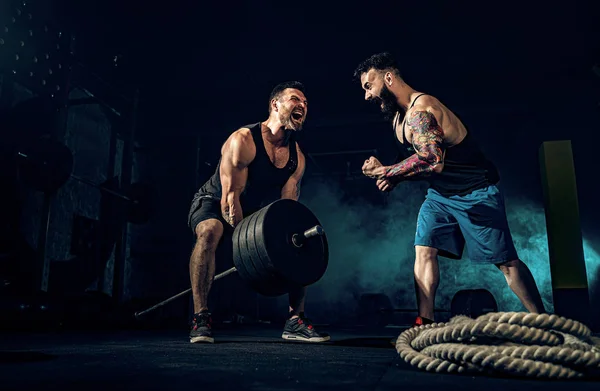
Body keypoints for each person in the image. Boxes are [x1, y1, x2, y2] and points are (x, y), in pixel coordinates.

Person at [353, 52, 546, 327]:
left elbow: (433, 159)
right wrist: (396, 176)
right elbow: (418, 156)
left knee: (506, 263)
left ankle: (543, 321)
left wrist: (387, 171)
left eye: (368, 86)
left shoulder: (422, 110)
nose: (367, 96)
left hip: (476, 192)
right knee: (424, 248)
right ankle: (426, 322)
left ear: (388, 77)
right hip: (440, 196)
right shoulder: (398, 119)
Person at [186, 81, 330, 343]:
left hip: (253, 209)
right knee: (210, 230)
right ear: (275, 105)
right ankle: (201, 316)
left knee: (298, 235)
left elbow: (288, 210)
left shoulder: (296, 157)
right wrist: (249, 249)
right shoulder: (243, 140)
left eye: (306, 103)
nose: (303, 106)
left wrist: (284, 244)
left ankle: (295, 319)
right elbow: (230, 201)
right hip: (215, 200)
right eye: (295, 99)